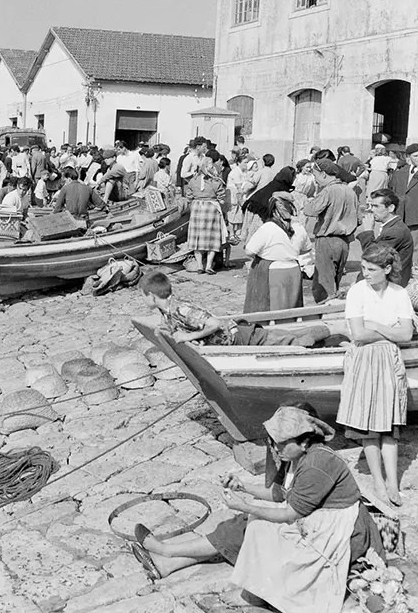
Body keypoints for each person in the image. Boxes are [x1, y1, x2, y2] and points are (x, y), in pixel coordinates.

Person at [132, 404, 383, 613]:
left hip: (342, 532)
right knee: (249, 521)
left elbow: (289, 513)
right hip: (319, 519)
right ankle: (167, 560)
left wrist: (246, 505)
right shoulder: (295, 457)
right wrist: (243, 487)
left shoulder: (317, 463)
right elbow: (279, 493)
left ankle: (252, 593)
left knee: (257, 524)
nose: (276, 449)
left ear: (305, 442)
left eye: (281, 444)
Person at [337, 243, 413, 506]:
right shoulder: (357, 292)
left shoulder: (399, 293)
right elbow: (358, 334)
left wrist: (377, 326)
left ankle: (393, 482)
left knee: (389, 426)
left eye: (371, 269)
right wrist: (389, 329)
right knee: (369, 426)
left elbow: (406, 335)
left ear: (387, 269)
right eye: (363, 268)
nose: (365, 273)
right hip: (365, 360)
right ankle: (378, 482)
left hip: (389, 361)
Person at [139, 271, 329, 347]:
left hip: (242, 336)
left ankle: (332, 332)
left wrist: (188, 337)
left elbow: (214, 323)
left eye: (143, 295)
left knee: (295, 341)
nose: (142, 299)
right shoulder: (167, 312)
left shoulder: (181, 309)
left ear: (152, 296)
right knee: (289, 337)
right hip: (238, 337)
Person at [243, 193, 311, 313]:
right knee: (291, 308)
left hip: (271, 271)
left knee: (268, 308)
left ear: (273, 211)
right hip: (293, 270)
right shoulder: (299, 228)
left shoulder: (268, 228)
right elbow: (306, 249)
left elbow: (249, 251)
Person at [304, 159, 359, 303]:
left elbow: (311, 210)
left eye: (315, 175)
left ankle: (326, 314)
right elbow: (358, 219)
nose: (315, 180)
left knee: (324, 285)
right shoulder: (349, 191)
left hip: (327, 240)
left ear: (323, 174)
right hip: (344, 242)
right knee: (336, 279)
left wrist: (307, 202)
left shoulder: (328, 191)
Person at [357, 188, 413, 287]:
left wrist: (368, 231)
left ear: (391, 208)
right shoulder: (392, 227)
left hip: (389, 286)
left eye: (376, 206)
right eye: (371, 205)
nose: (371, 210)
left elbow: (373, 256)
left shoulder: (395, 231)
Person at [184, 155, 227, 275]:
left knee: (197, 239)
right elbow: (221, 197)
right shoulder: (216, 181)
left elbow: (189, 196)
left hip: (197, 208)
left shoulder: (193, 180)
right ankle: (208, 266)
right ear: (207, 167)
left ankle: (199, 266)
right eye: (211, 165)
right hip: (211, 209)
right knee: (212, 239)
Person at [240, 166, 296, 244]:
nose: (294, 179)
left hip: (254, 205)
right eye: (294, 177)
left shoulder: (276, 182)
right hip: (259, 210)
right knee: (258, 237)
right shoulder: (282, 187)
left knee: (254, 237)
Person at [388, 142, 418, 264]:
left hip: (415, 216)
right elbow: (391, 191)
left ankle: (414, 272)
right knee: (396, 246)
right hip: (399, 216)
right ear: (408, 157)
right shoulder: (400, 172)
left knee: (415, 247)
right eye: (416, 156)